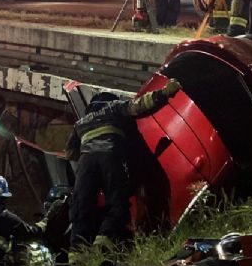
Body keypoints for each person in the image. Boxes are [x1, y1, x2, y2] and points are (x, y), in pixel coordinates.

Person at [65, 78, 182, 249]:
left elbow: (69, 152)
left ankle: (77, 255)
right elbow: (140, 106)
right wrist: (164, 93)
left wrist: (88, 154)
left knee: (82, 208)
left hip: (85, 163)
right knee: (117, 203)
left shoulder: (81, 123)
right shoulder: (113, 108)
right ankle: (104, 243)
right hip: (111, 157)